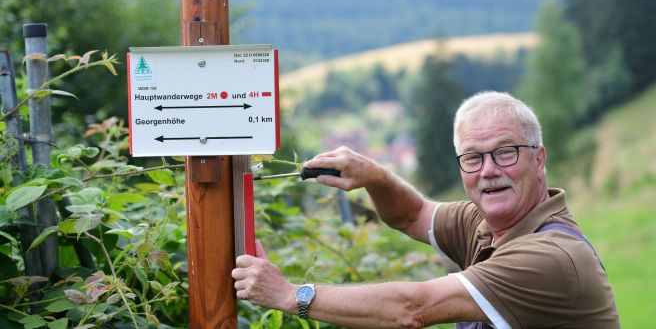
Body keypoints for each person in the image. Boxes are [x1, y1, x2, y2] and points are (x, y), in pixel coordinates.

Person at [232, 91, 619, 328]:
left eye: (505, 152)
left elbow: (413, 309)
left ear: (539, 159)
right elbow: (412, 215)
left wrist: (289, 295)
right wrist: (376, 177)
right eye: (472, 157)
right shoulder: (484, 223)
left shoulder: (550, 258)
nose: (488, 170)